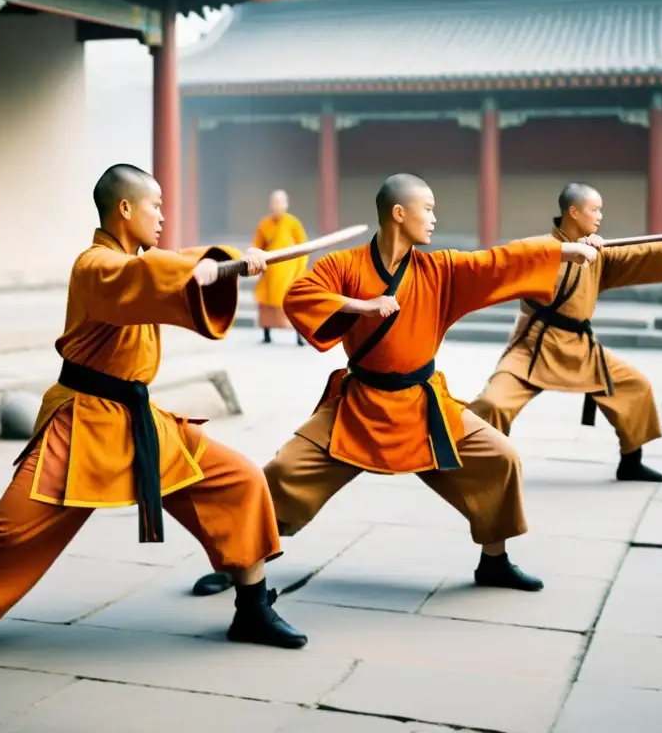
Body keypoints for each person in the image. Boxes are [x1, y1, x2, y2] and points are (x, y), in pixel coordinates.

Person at [0, 164, 307, 663]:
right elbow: (146, 275)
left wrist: (232, 264)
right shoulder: (95, 265)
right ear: (125, 208)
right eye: (154, 205)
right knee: (7, 530)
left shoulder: (142, 261)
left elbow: (165, 266)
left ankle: (252, 609)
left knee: (240, 480)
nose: (161, 216)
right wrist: (210, 265)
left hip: (139, 420)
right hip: (82, 422)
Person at [190, 173, 599, 599]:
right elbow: (300, 295)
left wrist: (565, 250)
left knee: (500, 458)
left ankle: (494, 560)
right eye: (428, 209)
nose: (435, 218)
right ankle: (238, 559)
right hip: (359, 406)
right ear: (399, 214)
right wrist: (360, 306)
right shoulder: (343, 266)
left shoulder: (440, 269)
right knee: (282, 473)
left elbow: (498, 260)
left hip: (424, 409)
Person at [467, 182, 662, 484]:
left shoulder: (598, 252)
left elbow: (638, 251)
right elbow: (513, 255)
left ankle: (631, 462)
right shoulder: (541, 247)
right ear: (574, 211)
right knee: (492, 403)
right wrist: (566, 251)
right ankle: (480, 465)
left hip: (581, 348)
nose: (600, 216)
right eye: (595, 209)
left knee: (636, 387)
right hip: (535, 346)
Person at [253, 190, 309, 346]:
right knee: (265, 300)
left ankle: (299, 336)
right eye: (274, 202)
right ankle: (267, 333)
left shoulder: (293, 223)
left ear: (286, 204)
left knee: (293, 302)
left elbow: (303, 246)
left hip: (288, 270)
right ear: (270, 204)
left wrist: (300, 267)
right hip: (270, 270)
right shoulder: (264, 224)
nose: (277, 205)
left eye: (280, 202)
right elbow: (257, 247)